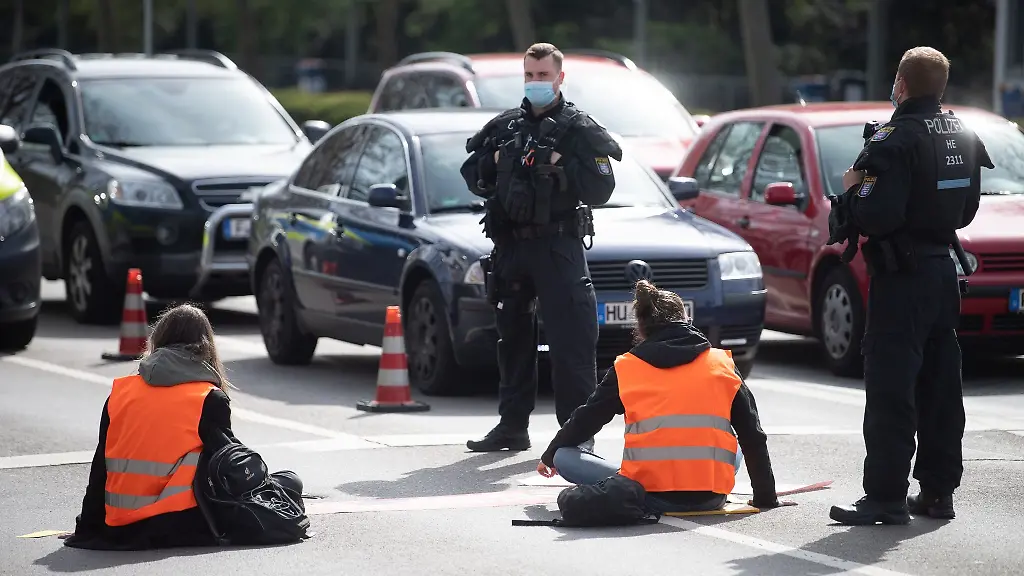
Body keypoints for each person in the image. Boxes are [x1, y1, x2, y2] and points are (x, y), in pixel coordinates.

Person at [828, 47, 994, 526]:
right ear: (940, 86)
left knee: (890, 387)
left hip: (902, 277)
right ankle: (938, 493)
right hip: (944, 271)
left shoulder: (893, 138)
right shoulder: (962, 134)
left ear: (900, 84)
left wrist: (852, 189)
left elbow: (878, 213)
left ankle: (884, 496)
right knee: (941, 385)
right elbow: (966, 211)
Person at [461, 42, 623, 452]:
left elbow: (603, 187)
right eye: (530, 75)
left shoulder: (580, 130)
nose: (536, 83)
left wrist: (561, 173)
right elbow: (471, 173)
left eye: (543, 76)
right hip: (512, 248)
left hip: (557, 247)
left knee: (571, 344)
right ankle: (512, 427)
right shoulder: (505, 126)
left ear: (559, 78)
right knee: (512, 341)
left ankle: (577, 437)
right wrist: (493, 163)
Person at [535, 279, 788, 514]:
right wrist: (765, 498)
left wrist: (550, 455)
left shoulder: (627, 367)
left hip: (647, 492)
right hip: (710, 494)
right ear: (687, 321)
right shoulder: (721, 364)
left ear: (641, 329)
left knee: (564, 455)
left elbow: (586, 419)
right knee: (734, 439)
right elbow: (753, 435)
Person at [63, 304, 303, 550]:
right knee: (290, 482)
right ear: (207, 346)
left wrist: (87, 527)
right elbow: (230, 469)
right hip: (180, 522)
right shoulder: (207, 397)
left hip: (119, 525)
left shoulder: (121, 393)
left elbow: (100, 469)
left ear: (158, 341)